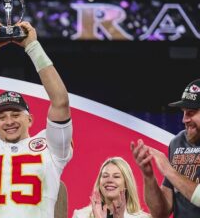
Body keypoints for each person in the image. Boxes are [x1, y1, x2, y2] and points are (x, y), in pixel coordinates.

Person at [0, 21, 73, 217]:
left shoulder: (51, 149)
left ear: (30, 119)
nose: (9, 121)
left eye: (16, 115)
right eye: (2, 117)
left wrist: (33, 47)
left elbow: (60, 101)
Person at [131, 78, 200, 218]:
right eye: (184, 112)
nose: (184, 120)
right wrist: (148, 175)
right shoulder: (177, 142)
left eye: (191, 112)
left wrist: (169, 170)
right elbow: (160, 213)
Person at [72, 157, 150, 218]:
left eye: (116, 176)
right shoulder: (80, 215)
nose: (109, 180)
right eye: (105, 176)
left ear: (126, 183)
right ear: (99, 182)